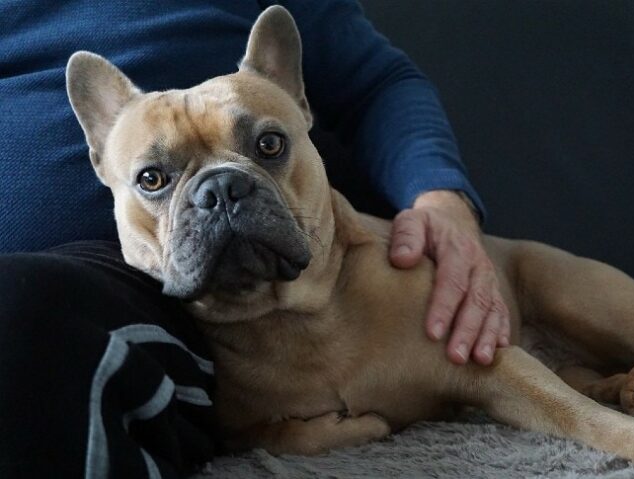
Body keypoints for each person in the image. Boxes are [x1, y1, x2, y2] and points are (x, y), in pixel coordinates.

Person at [0, 0, 510, 477]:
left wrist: (441, 197)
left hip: (134, 290)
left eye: (266, 145)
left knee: (22, 308)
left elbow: (375, 84)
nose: (217, 197)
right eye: (154, 178)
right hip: (124, 264)